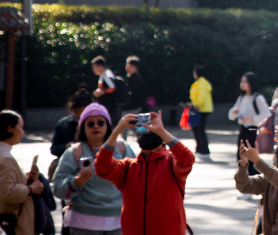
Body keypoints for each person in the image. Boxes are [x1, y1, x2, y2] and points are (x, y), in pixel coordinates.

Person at [95, 110, 194, 235]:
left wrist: (162, 131)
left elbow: (187, 158)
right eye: (141, 129)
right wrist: (116, 133)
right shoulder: (128, 167)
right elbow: (101, 167)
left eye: (152, 130)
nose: (147, 132)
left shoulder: (171, 162)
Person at [53, 102, 135, 235]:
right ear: (82, 127)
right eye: (90, 123)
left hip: (119, 222)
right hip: (83, 223)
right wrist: (75, 183)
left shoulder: (122, 148)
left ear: (108, 126)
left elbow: (136, 181)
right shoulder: (73, 152)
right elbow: (57, 188)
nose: (96, 126)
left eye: (100, 122)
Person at [0, 110, 42, 235]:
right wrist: (31, 189)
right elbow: (7, 192)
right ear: (9, 128)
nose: (23, 132)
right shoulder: (5, 158)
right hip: (12, 225)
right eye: (21, 127)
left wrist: (25, 179)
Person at [229, 71, 272, 177]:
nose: (242, 84)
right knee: (241, 155)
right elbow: (231, 115)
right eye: (241, 81)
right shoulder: (242, 97)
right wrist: (235, 112)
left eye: (245, 82)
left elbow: (266, 114)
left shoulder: (258, 98)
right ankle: (244, 178)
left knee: (251, 157)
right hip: (243, 129)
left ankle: (253, 180)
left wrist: (251, 119)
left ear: (251, 83)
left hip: (253, 130)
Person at [51, 88, 92, 162]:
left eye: (84, 112)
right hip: (69, 161)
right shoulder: (62, 124)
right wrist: (65, 147)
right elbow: (54, 149)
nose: (80, 115)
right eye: (77, 112)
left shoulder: (98, 124)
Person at [188, 64, 214, 161]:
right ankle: (200, 149)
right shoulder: (200, 82)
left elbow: (201, 97)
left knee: (199, 129)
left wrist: (195, 105)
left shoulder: (202, 83)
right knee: (197, 129)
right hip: (198, 109)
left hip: (201, 110)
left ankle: (204, 150)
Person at [91, 56, 120, 122]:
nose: (93, 69)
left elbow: (112, 88)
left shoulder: (107, 75)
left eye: (94, 67)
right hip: (107, 107)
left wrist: (102, 92)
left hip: (110, 107)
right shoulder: (103, 75)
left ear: (100, 66)